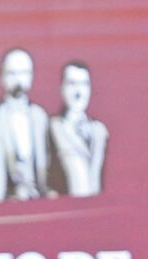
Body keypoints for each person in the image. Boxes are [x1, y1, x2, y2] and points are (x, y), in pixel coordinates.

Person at [0, 48, 50, 202]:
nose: (18, 79)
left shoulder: (40, 117)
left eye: (24, 73)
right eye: (12, 73)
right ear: (1, 77)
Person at [48, 61, 109, 197]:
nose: (78, 92)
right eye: (72, 84)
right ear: (61, 88)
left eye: (84, 84)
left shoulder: (99, 131)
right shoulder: (52, 127)